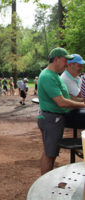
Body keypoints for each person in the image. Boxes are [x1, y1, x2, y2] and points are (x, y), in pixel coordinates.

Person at [37, 47, 85, 175]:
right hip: (51, 119)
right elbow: (61, 102)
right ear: (57, 59)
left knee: (50, 152)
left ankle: (45, 181)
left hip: (54, 119)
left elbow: (67, 97)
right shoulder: (48, 76)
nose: (67, 64)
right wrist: (82, 105)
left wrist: (81, 102)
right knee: (49, 154)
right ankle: (44, 185)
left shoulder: (54, 75)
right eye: (65, 61)